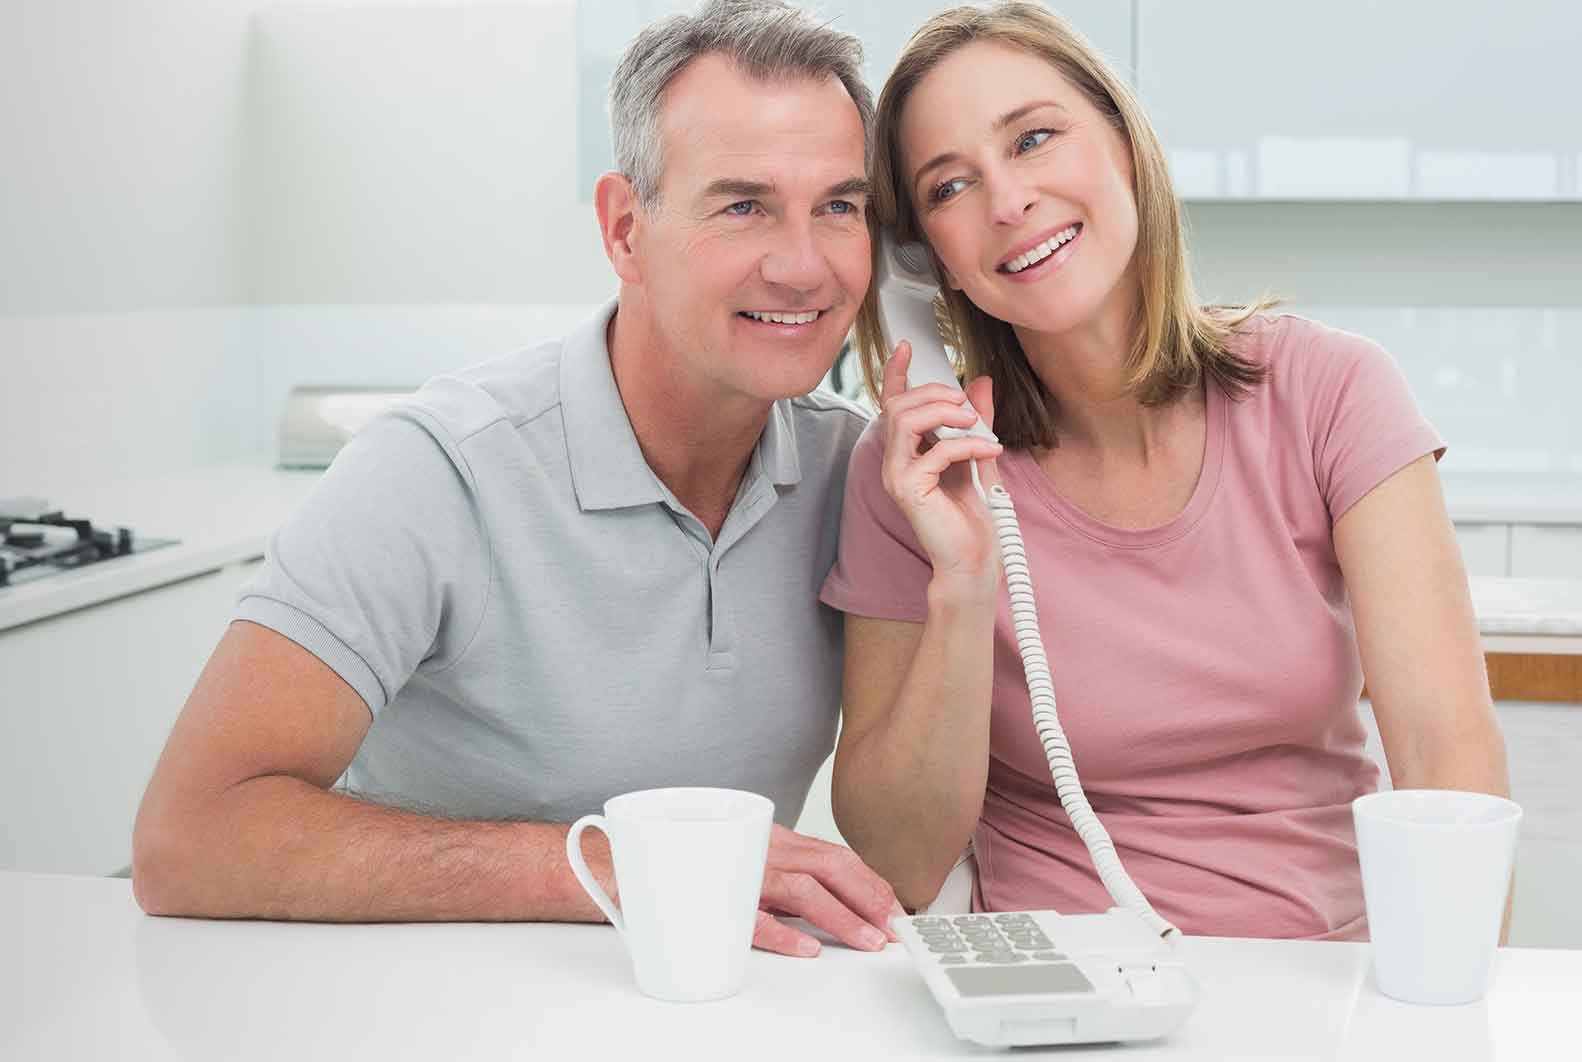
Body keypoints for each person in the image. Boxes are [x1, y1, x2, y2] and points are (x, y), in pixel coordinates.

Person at [133, 0, 903, 960]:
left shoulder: (857, 475)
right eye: (743, 204)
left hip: (701, 1011)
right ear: (626, 230)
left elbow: (911, 848)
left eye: (839, 206)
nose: (803, 265)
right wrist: (607, 866)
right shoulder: (438, 469)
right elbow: (189, 837)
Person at [819, 2, 1511, 940]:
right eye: (948, 188)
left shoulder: (1332, 395)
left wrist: (1448, 1014)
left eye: (1034, 138)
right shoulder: (915, 471)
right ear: (919, 257)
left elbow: (1449, 772)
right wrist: (967, 582)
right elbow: (901, 861)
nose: (1008, 201)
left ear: (1124, 139)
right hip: (1056, 997)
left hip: (1328, 979)